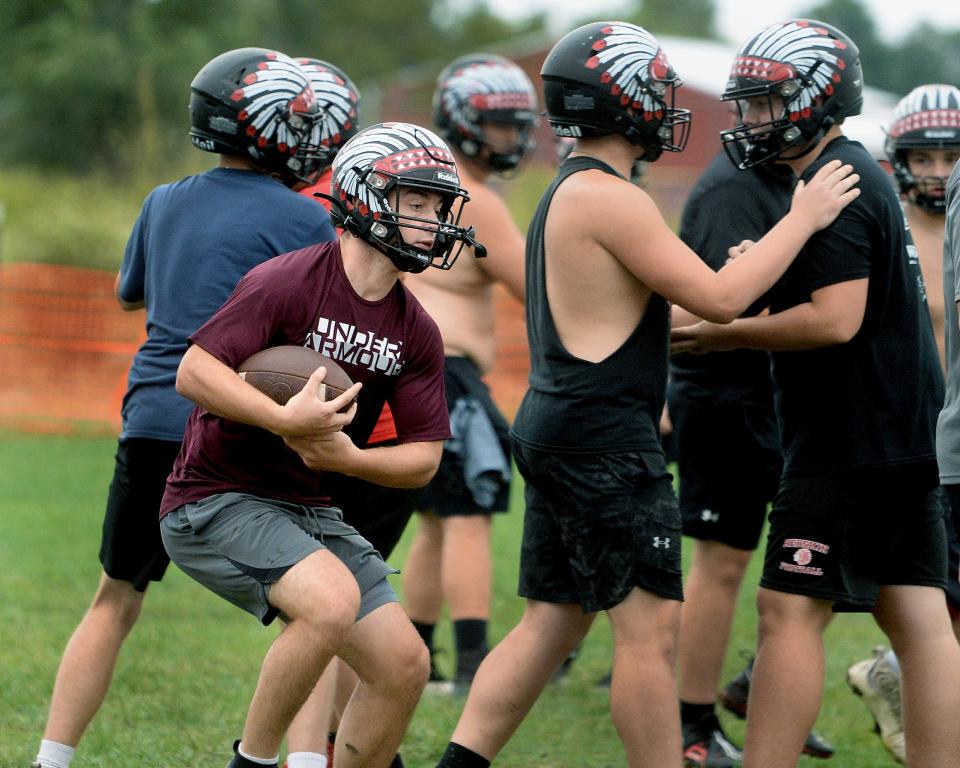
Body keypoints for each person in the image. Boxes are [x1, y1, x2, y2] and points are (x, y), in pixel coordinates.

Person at [433, 21, 859, 768]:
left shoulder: (574, 189)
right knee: (649, 633)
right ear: (622, 101)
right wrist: (801, 221)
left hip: (559, 423)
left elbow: (668, 308)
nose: (666, 106)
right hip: (602, 440)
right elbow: (723, 299)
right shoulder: (612, 197)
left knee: (551, 624)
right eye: (656, 92)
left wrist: (746, 275)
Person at [31, 48, 335, 768]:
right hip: (239, 426)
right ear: (266, 127)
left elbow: (129, 292)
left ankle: (51, 759)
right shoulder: (305, 220)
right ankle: (302, 763)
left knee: (114, 598)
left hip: (152, 418)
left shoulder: (163, 200)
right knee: (320, 610)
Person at [671, 20, 960, 768]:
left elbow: (836, 321)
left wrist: (725, 334)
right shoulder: (853, 171)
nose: (751, 119)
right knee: (920, 617)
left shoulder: (831, 180)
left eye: (766, 104)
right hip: (900, 432)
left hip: (846, 441)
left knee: (787, 611)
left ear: (815, 101)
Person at [159, 121, 484, 768]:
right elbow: (194, 372)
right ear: (361, 198)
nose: (431, 221)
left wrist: (350, 460)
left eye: (436, 207)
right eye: (413, 202)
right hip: (215, 497)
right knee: (330, 606)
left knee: (403, 663)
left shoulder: (417, 329)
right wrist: (284, 420)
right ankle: (249, 763)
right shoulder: (287, 280)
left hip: (307, 506)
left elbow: (423, 460)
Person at [669, 148, 833, 766]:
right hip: (725, 396)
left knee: (810, 566)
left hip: (778, 397)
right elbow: (713, 305)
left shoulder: (799, 175)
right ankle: (692, 724)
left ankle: (764, 696)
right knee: (724, 562)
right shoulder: (729, 188)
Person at [402, 52, 535, 692]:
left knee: (435, 521)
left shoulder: (415, 190)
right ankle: (474, 665)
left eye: (518, 124)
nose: (513, 137)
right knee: (470, 515)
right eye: (500, 124)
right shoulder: (475, 199)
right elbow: (540, 289)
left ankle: (422, 661)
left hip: (406, 370)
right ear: (461, 122)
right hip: (449, 375)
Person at [846, 82, 960, 765]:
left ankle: (887, 672)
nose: (940, 172)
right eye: (927, 157)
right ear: (900, 159)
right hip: (915, 432)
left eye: (952, 156)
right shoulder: (887, 222)